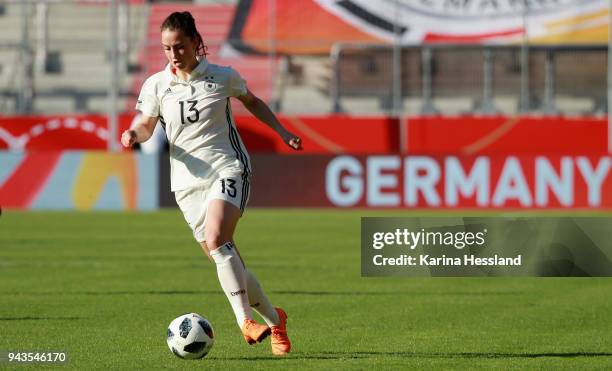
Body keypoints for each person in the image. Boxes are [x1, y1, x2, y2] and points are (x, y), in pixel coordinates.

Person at [121, 11, 301, 356]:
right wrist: (134, 134)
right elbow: (146, 125)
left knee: (219, 238)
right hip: (187, 184)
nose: (174, 55)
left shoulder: (222, 77)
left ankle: (245, 322)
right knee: (225, 257)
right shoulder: (157, 85)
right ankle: (275, 318)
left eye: (180, 47)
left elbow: (253, 102)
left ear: (195, 43)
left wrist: (282, 131)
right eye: (166, 48)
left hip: (228, 168)